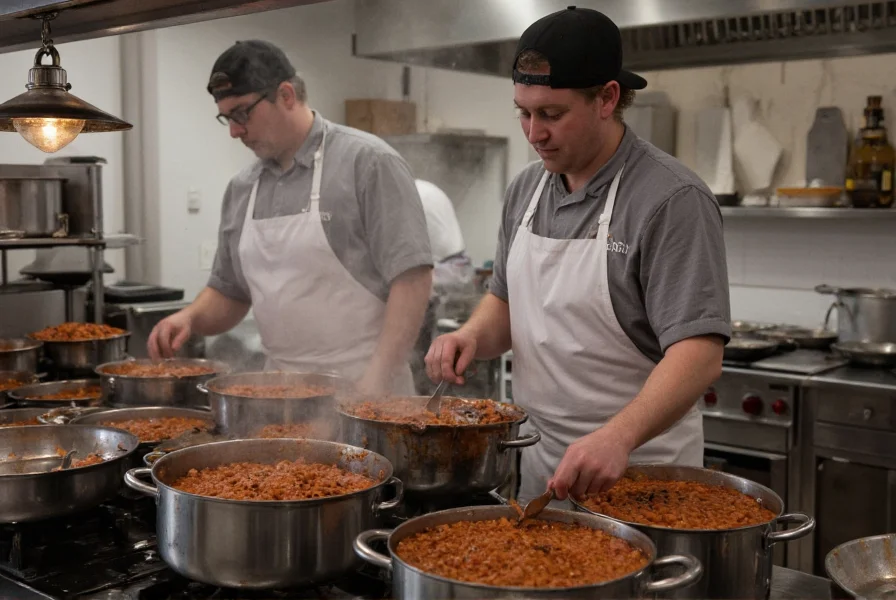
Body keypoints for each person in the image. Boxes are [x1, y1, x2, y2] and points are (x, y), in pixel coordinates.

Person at [425, 7, 731, 504]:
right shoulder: (527, 189)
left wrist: (618, 436)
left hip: (640, 475)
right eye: (523, 112)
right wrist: (469, 335)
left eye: (551, 114)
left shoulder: (670, 200)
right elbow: (504, 305)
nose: (533, 133)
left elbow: (699, 357)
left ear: (607, 98)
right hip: (541, 468)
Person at [148, 40, 433, 395]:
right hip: (279, 396)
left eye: (241, 114)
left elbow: (413, 280)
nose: (234, 131)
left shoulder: (368, 163)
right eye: (227, 118)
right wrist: (189, 318)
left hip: (366, 387)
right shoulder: (243, 188)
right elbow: (230, 293)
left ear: (285, 95)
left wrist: (375, 380)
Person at [410, 179, 476, 393]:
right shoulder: (424, 188)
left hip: (443, 274)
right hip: (457, 268)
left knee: (426, 352)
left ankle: (428, 393)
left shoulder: (407, 195)